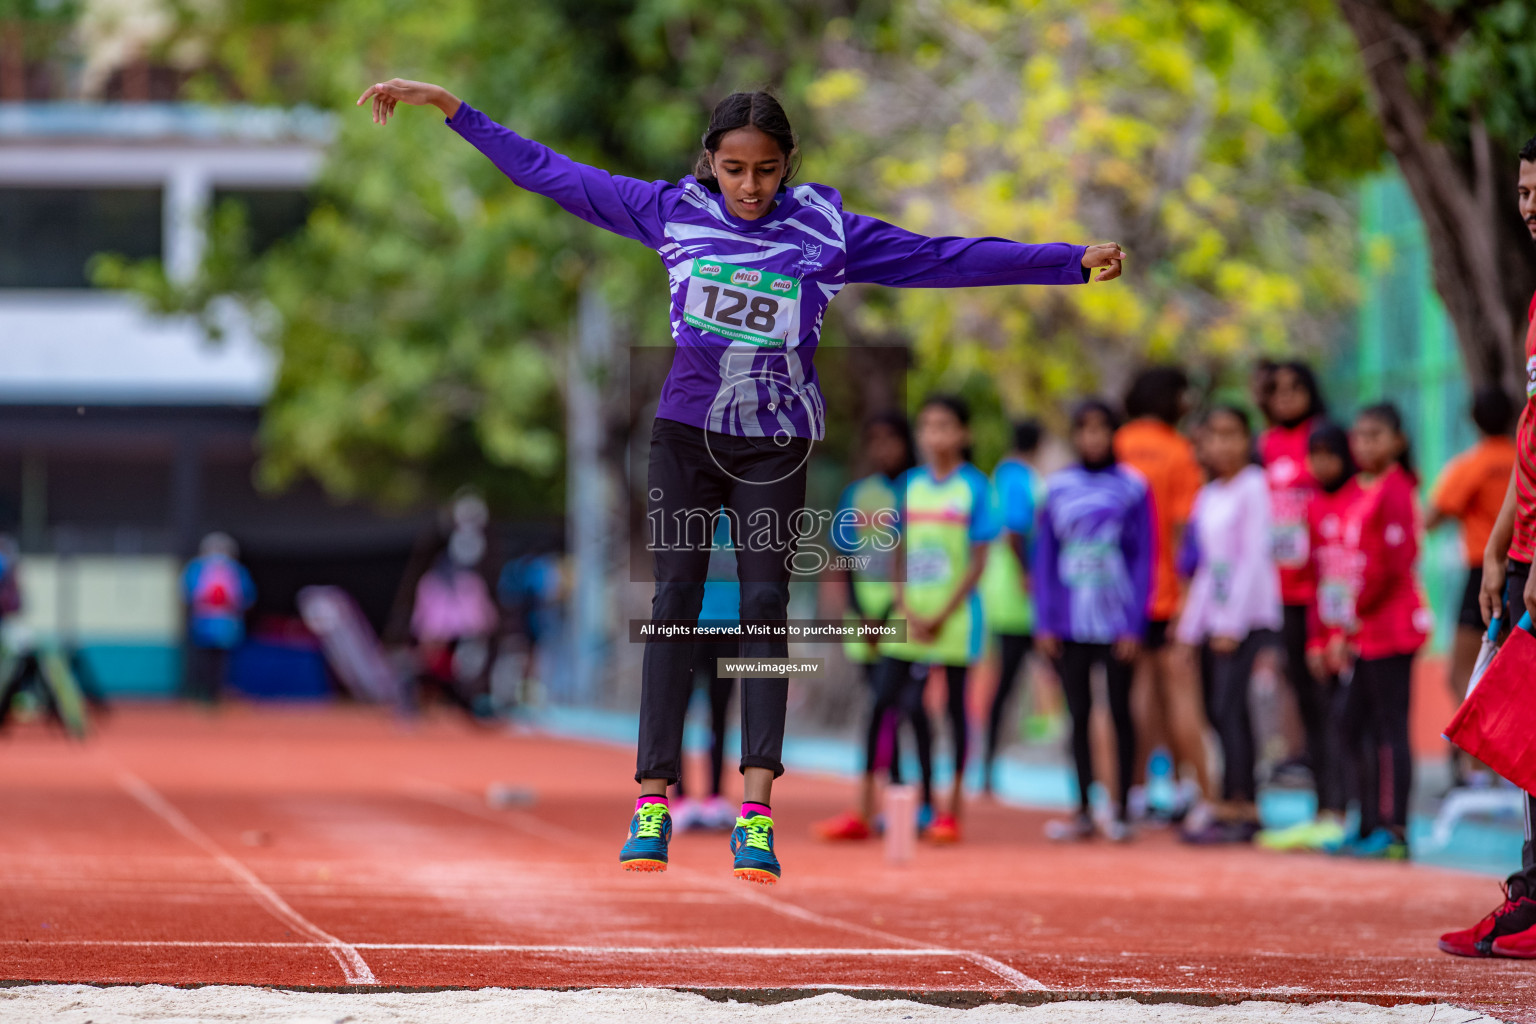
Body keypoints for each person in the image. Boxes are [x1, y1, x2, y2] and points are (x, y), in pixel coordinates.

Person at [357, 80, 1126, 884]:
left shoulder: (824, 230)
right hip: (687, 438)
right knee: (675, 604)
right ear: (710, 164)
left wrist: (1065, 262)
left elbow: (940, 257)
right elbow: (551, 172)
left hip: (775, 445)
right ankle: (652, 799)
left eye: (764, 170)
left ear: (788, 163)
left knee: (763, 604)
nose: (750, 187)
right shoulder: (670, 211)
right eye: (733, 169)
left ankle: (755, 811)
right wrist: (454, 110)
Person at [1441, 137, 1536, 957]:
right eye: (1524, 191)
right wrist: (1503, 539)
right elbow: (1533, 431)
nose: (1530, 206)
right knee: (1525, 727)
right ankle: (1532, 891)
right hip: (1526, 546)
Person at [869, 395, 1000, 844]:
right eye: (927, 426)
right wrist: (904, 605)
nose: (934, 436)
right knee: (886, 701)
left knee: (956, 711)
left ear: (963, 433)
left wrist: (942, 612)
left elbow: (979, 561)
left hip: (956, 621)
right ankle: (875, 805)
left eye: (945, 426)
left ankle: (953, 810)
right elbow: (896, 551)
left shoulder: (975, 488)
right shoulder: (908, 485)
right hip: (909, 617)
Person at [1033, 399, 1152, 842]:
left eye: (1102, 429)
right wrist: (1044, 620)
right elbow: (1044, 557)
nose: (1093, 438)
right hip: (1068, 623)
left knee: (1120, 711)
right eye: (1084, 430)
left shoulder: (1134, 487)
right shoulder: (1057, 488)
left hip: (1116, 620)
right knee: (1077, 714)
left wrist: (1134, 624)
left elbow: (1144, 558)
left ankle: (1120, 809)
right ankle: (1083, 808)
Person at [1175, 406, 1282, 844]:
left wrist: (1233, 625)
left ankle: (1244, 804)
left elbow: (1253, 558)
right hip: (1215, 618)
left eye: (1231, 435)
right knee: (1217, 712)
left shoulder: (1254, 487)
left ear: (1246, 439)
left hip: (1248, 617)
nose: (1222, 445)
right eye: (1213, 436)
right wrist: (1188, 629)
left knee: (1231, 708)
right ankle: (1232, 799)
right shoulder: (1208, 494)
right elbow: (1207, 569)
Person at [1331, 403, 1429, 859]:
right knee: (1353, 724)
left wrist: (1355, 612)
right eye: (1360, 436)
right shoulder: (1363, 490)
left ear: (1397, 441)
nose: (1365, 444)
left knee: (1389, 729)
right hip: (1367, 629)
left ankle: (1395, 829)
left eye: (1375, 436)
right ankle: (1367, 820)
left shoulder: (1396, 490)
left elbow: (1391, 566)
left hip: (1391, 629)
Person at [1114, 366, 1210, 822]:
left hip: (1119, 594)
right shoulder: (1179, 452)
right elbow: (1181, 531)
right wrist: (1184, 597)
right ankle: (1194, 790)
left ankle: (1129, 791)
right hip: (1167, 593)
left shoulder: (1117, 445)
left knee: (1134, 697)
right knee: (1178, 697)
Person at [816, 414, 913, 842]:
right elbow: (844, 558)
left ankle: (904, 801)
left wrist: (891, 613)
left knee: (901, 707)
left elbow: (916, 561)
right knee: (880, 706)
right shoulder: (857, 495)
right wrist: (856, 613)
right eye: (875, 440)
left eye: (890, 440)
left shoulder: (915, 493)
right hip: (865, 623)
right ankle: (878, 804)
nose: (882, 450)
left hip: (907, 619)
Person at [1259, 421, 1355, 852]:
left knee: (1350, 717)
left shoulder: (1358, 501)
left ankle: (1361, 814)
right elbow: (1319, 574)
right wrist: (1319, 638)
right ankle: (1327, 808)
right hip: (1311, 616)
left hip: (1357, 628)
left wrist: (1342, 630)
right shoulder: (1314, 507)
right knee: (1314, 710)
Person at [1427, 387, 1517, 788]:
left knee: (1465, 673)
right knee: (1513, 670)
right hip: (1522, 570)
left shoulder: (1473, 464)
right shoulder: (1521, 458)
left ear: (1473, 419)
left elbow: (1433, 517)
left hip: (1483, 572)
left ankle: (1476, 767)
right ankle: (1503, 766)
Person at [1258, 363, 1334, 802]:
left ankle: (1339, 799)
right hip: (1278, 589)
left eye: (1294, 388)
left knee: (1327, 696)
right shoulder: (1264, 445)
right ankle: (1321, 799)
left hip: (1320, 589)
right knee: (1299, 691)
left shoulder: (1323, 438)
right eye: (1276, 389)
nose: (1285, 396)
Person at [979, 418, 1044, 795]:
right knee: (1008, 682)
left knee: (1007, 683)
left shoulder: (1003, 474)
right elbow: (1017, 529)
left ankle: (987, 764)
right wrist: (1028, 575)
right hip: (1019, 597)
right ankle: (987, 764)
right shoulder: (1019, 476)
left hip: (1010, 592)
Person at [673, 513, 740, 832]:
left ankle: (715, 796)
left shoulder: (744, 515)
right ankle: (680, 797)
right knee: (678, 711)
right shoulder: (691, 513)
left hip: (729, 627)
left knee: (720, 711)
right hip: (690, 626)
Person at [181, 533, 255, 704]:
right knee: (202, 661)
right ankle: (200, 693)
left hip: (227, 624)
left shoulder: (236, 571)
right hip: (203, 623)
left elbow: (247, 595)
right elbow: (188, 592)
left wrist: (229, 601)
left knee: (222, 663)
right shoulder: (196, 568)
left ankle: (217, 695)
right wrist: (207, 598)